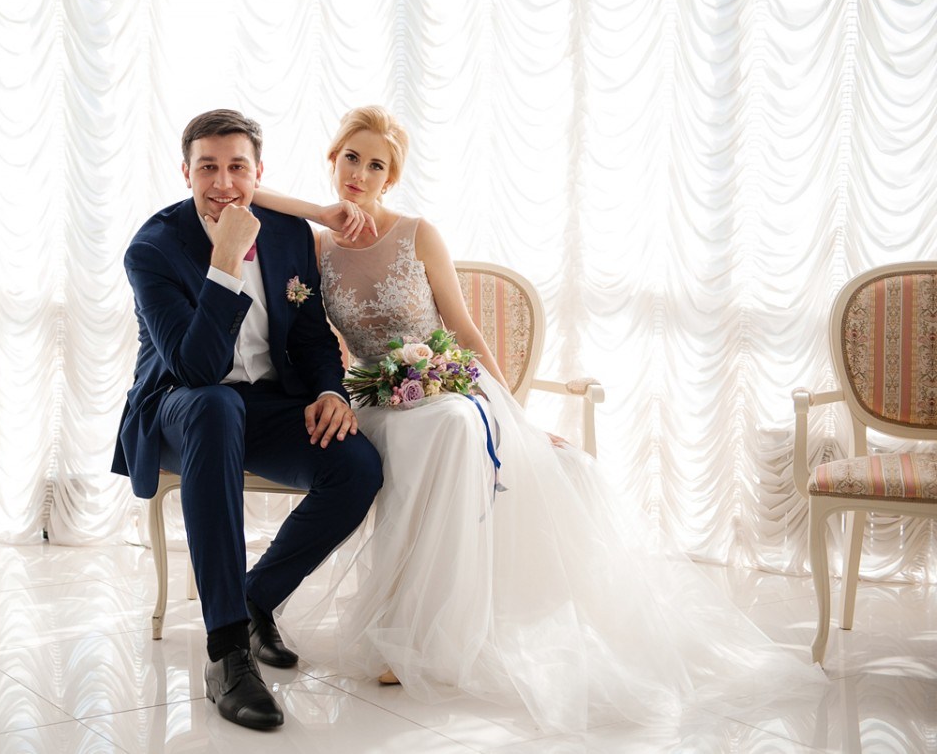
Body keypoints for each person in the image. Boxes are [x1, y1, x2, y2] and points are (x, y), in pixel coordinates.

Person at [254, 106, 824, 733]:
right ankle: (403, 623)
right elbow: (245, 191)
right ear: (333, 159)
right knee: (433, 434)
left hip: (445, 388)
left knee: (461, 430)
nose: (360, 174)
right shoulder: (314, 247)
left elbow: (463, 330)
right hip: (375, 397)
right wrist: (320, 212)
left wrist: (516, 418)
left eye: (375, 165)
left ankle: (426, 634)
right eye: (351, 158)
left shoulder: (418, 233)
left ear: (391, 178)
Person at [111, 109, 383, 731]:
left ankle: (256, 599)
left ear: (260, 173)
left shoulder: (288, 235)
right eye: (207, 167)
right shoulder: (153, 249)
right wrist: (226, 259)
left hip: (263, 402)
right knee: (215, 404)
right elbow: (197, 369)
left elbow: (311, 336)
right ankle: (228, 650)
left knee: (356, 466)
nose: (223, 182)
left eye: (238, 167)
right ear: (185, 173)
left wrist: (330, 390)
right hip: (179, 408)